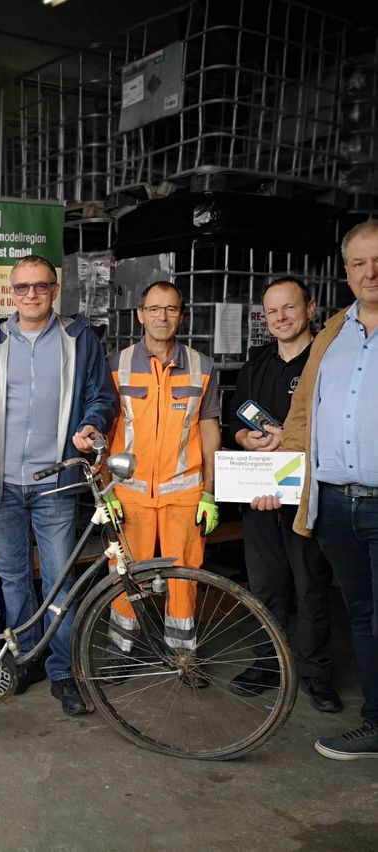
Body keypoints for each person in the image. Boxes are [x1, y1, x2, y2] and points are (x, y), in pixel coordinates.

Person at [0, 254, 118, 716]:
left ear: (55, 289)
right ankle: (27, 657)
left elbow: (101, 396)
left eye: (41, 286)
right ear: (11, 292)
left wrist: (91, 425)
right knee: (12, 578)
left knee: (60, 582)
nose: (32, 294)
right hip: (1, 484)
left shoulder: (78, 338)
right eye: (22, 287)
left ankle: (64, 671)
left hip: (57, 482)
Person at [253, 219, 378, 760]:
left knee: (328, 598)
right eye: (359, 263)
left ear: (307, 307)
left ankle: (325, 681)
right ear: (345, 272)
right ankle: (374, 719)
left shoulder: (321, 336)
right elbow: (301, 421)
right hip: (329, 501)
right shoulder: (335, 335)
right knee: (363, 612)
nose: (370, 271)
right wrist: (271, 478)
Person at [227, 278, 340, 712]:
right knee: (265, 583)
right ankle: (267, 664)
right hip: (259, 493)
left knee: (311, 585)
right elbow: (235, 422)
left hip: (308, 494)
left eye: (289, 308)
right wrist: (245, 438)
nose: (280, 318)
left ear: (310, 309)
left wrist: (292, 442)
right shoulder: (256, 365)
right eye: (272, 312)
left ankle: (316, 674)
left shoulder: (328, 361)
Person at [105, 281, 221, 667]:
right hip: (129, 494)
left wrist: (210, 492)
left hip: (184, 493)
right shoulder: (115, 365)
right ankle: (121, 652)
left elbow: (209, 430)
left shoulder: (202, 366)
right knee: (124, 578)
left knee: (184, 577)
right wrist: (106, 490)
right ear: (140, 314)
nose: (162, 317)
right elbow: (103, 431)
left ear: (181, 316)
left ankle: (183, 656)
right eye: (154, 309)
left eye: (170, 309)